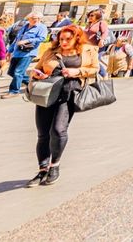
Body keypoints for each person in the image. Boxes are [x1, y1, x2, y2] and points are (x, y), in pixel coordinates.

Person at [25, 25, 99, 186]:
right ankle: (42, 169)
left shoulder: (87, 50)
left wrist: (77, 72)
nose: (63, 42)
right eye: (61, 39)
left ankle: (55, 165)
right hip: (47, 93)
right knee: (43, 134)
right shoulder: (51, 51)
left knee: (58, 130)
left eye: (68, 39)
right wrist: (38, 74)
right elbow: (35, 69)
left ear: (77, 38)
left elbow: (95, 69)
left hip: (69, 94)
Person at [3, 13, 47, 97]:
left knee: (18, 72)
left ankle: (14, 91)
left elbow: (42, 38)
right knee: (11, 72)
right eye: (33, 18)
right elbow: (17, 39)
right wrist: (9, 50)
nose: (35, 20)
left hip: (28, 52)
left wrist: (27, 41)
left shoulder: (41, 27)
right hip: (17, 52)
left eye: (37, 18)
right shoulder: (25, 26)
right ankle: (33, 84)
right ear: (28, 18)